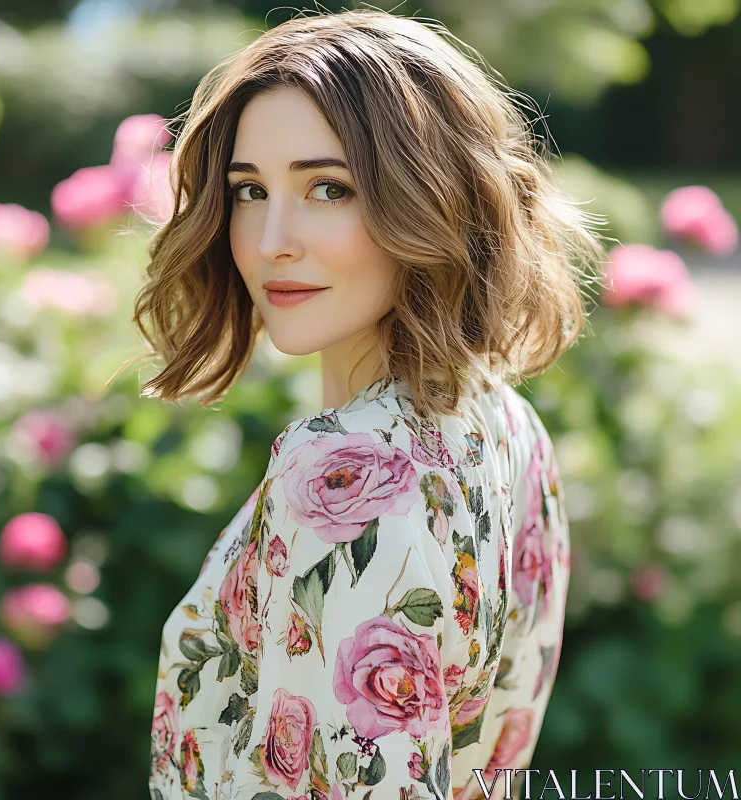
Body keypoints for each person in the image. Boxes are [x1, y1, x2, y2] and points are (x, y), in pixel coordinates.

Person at [137, 8, 607, 800]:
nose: (271, 238)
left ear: (431, 198)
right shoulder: (504, 421)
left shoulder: (335, 485)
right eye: (249, 190)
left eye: (329, 188)